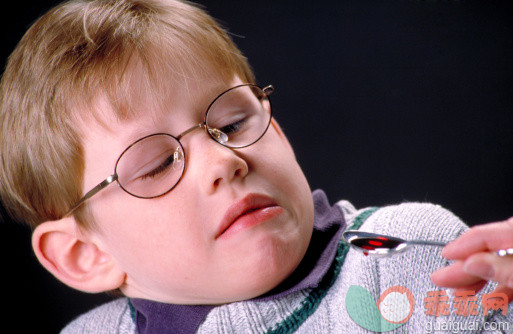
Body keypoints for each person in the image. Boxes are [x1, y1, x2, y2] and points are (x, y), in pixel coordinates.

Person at [0, 0, 511, 332]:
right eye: (156, 165)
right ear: (84, 254)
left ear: (278, 130)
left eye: (234, 122)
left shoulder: (406, 256)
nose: (224, 160)